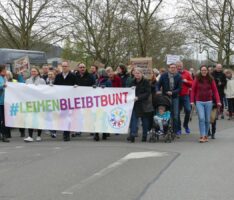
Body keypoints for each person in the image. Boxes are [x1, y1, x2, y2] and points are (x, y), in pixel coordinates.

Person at [191, 65, 221, 143]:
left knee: (207, 120)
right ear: (200, 71)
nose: (204, 71)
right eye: (202, 70)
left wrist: (218, 101)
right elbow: (193, 90)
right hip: (199, 101)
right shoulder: (197, 78)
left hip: (208, 102)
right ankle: (202, 135)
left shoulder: (211, 79)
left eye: (205, 70)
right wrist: (192, 101)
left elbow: (215, 91)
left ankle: (206, 135)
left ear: (207, 71)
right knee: (201, 118)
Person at [54, 61, 78, 141]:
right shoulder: (58, 76)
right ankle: (65, 132)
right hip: (61, 99)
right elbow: (55, 86)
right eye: (63, 66)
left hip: (70, 100)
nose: (64, 67)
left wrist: (76, 86)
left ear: (68, 67)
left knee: (68, 117)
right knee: (63, 117)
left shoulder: (73, 76)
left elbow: (77, 85)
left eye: (66, 66)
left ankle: (66, 134)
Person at [128, 68, 154, 143]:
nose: (137, 74)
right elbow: (128, 91)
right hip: (135, 104)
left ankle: (144, 135)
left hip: (144, 104)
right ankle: (132, 135)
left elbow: (147, 93)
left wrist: (138, 97)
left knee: (144, 121)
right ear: (134, 74)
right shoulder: (132, 81)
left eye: (138, 73)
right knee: (134, 119)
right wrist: (130, 90)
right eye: (136, 73)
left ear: (142, 74)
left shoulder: (146, 82)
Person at [157, 63, 182, 136]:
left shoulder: (179, 76)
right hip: (165, 97)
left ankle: (175, 130)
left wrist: (172, 92)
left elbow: (180, 88)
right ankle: (165, 130)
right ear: (169, 68)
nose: (173, 69)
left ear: (176, 68)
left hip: (175, 97)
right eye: (171, 67)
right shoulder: (163, 75)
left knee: (175, 115)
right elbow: (158, 84)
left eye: (174, 67)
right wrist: (157, 90)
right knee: (166, 114)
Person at [24, 67, 46, 142]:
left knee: (39, 119)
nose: (33, 72)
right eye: (32, 71)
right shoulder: (27, 80)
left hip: (39, 102)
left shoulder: (42, 80)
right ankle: (30, 136)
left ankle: (39, 136)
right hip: (30, 102)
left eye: (34, 71)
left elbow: (45, 90)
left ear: (38, 72)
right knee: (30, 119)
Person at [93, 68, 112, 141]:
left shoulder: (108, 81)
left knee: (103, 118)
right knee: (96, 118)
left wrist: (105, 88)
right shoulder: (97, 81)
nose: (97, 74)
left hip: (104, 102)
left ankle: (104, 133)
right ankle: (96, 134)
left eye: (98, 73)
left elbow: (110, 90)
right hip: (97, 102)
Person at [176, 61, 193, 135]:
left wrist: (186, 81)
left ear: (182, 66)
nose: (179, 67)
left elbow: (192, 83)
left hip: (185, 95)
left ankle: (185, 125)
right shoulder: (174, 73)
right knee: (177, 113)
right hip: (176, 95)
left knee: (188, 110)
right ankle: (178, 128)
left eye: (180, 66)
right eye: (178, 66)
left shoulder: (187, 73)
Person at [0, 65, 10, 142]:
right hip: (0, 102)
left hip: (5, 102)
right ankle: (3, 135)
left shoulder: (5, 78)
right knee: (2, 119)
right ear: (1, 70)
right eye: (5, 70)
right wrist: (2, 86)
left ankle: (4, 135)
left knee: (4, 119)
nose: (6, 71)